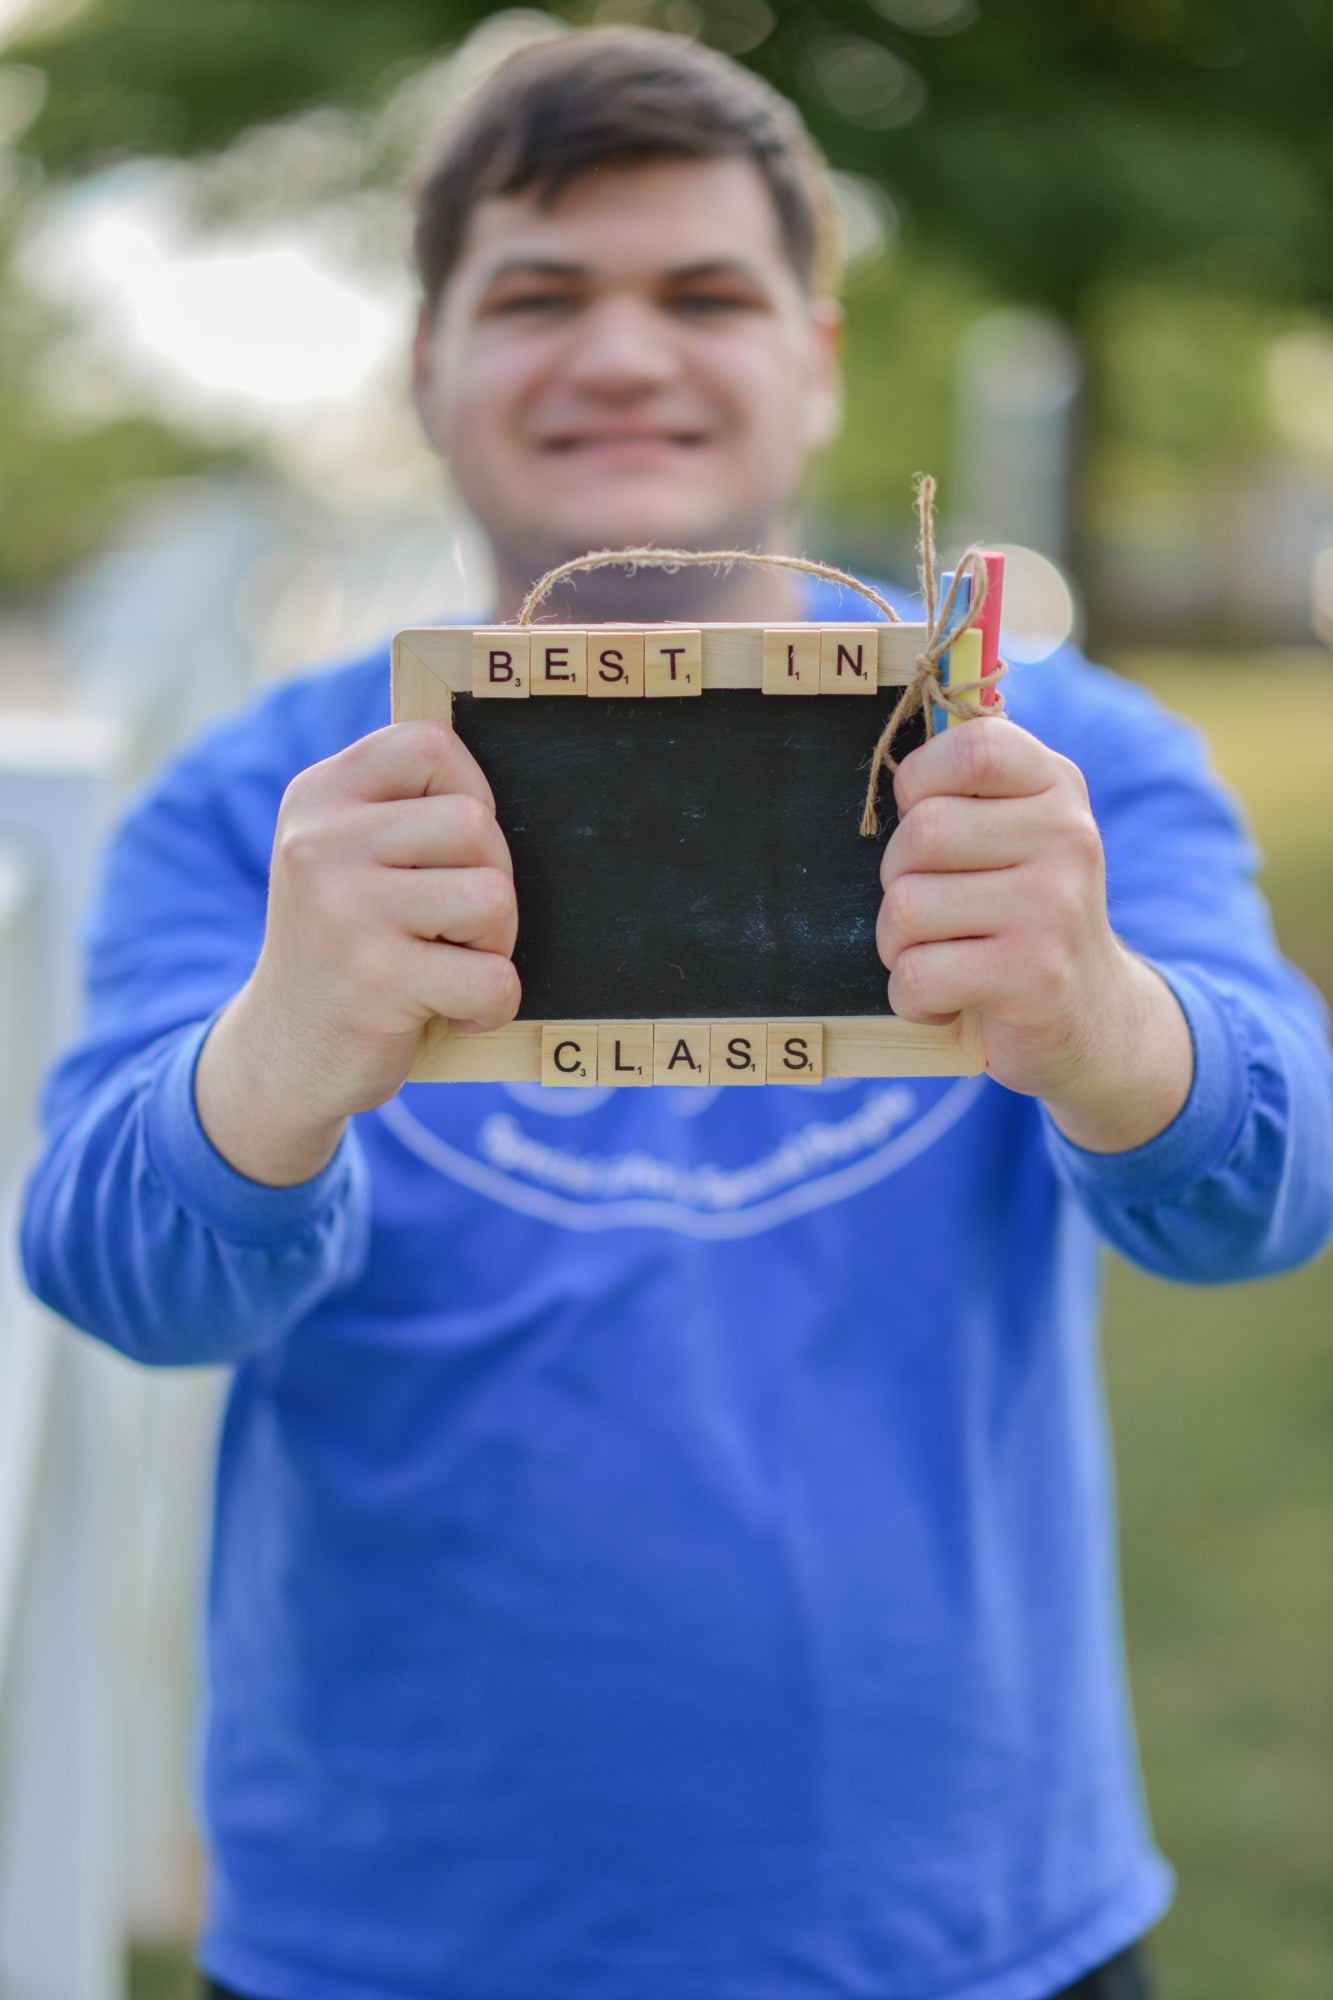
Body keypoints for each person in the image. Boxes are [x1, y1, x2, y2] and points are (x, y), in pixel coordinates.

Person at [19, 27, 1333, 2000]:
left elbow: (1264, 1192)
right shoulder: (270, 804)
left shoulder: (1058, 763)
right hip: (392, 1940)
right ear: (426, 365)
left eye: (704, 295)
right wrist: (275, 1057)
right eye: (537, 294)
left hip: (965, 1926)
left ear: (810, 357)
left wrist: (1105, 1024)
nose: (623, 354)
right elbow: (126, 1280)